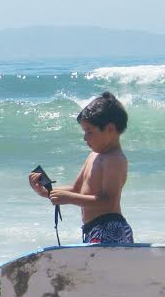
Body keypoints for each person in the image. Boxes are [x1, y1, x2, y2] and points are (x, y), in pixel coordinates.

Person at [29, 91, 133, 244]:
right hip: (93, 228)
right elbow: (76, 190)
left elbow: (108, 201)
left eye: (89, 132)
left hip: (110, 227)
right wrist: (46, 192)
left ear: (110, 129)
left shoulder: (114, 159)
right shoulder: (94, 155)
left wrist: (69, 198)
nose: (85, 137)